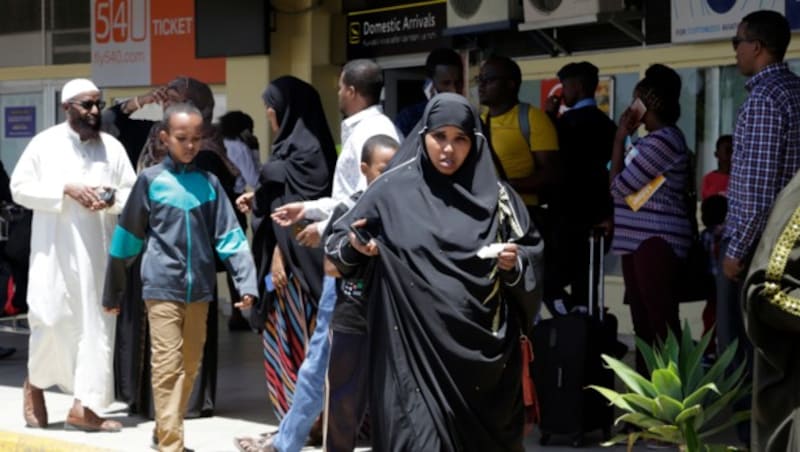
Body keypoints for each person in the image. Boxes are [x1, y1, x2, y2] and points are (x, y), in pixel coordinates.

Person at [325, 93, 543, 451]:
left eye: (460, 139)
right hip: (410, 356)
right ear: (423, 134)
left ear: (475, 142)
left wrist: (513, 263)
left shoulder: (498, 198)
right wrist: (356, 245)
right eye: (439, 136)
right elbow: (339, 244)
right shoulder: (391, 191)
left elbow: (530, 253)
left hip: (479, 368)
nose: (448, 149)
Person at [234, 61, 399, 452]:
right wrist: (307, 210)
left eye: (341, 87)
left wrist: (322, 226)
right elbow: (347, 200)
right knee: (328, 355)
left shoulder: (374, 135)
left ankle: (287, 442)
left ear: (352, 91)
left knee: (322, 354)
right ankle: (293, 438)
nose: (337, 94)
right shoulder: (364, 131)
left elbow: (368, 204)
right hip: (346, 255)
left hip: (351, 262)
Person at [103, 103, 258, 452]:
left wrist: (245, 282)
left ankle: (164, 427)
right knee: (167, 365)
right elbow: (126, 240)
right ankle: (172, 444)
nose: (189, 145)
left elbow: (230, 237)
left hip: (200, 290)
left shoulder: (210, 184)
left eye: (196, 138)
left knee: (190, 365)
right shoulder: (150, 181)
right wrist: (113, 291)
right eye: (181, 138)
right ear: (164, 138)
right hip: (161, 288)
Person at [10, 78, 136, 431]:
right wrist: (64, 189)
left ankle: (85, 408)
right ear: (67, 108)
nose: (94, 111)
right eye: (86, 105)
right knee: (49, 321)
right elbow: (19, 189)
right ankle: (34, 383)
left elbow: (131, 193)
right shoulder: (44, 144)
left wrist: (109, 199)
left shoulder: (111, 148)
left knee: (95, 331)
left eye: (97, 104)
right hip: (53, 253)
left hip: (97, 254)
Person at [235, 76, 337, 440]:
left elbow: (305, 211)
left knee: (306, 342)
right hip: (282, 265)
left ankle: (312, 421)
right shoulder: (285, 150)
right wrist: (255, 198)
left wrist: (280, 251)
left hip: (300, 264)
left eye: (273, 104)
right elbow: (274, 199)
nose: (268, 111)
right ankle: (297, 420)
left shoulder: (313, 154)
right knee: (285, 341)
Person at [725, 10, 800, 449]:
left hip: (763, 256)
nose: (734, 51)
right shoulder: (794, 92)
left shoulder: (765, 99)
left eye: (737, 42)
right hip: (793, 256)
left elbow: (758, 190)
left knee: (754, 363)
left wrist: (736, 251)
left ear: (757, 46)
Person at [609, 64, 693, 376]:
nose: (630, 108)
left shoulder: (665, 141)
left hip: (656, 241)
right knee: (644, 326)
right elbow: (617, 176)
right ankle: (648, 404)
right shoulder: (648, 142)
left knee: (660, 325)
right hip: (637, 240)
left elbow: (617, 186)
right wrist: (623, 140)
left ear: (647, 102)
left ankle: (674, 407)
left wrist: (619, 138)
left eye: (635, 101)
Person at [319, 134, 398, 452]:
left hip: (394, 321)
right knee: (344, 401)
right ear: (364, 169)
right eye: (383, 169)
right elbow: (330, 266)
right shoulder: (348, 208)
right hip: (353, 318)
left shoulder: (407, 210)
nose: (389, 177)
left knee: (391, 403)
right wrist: (356, 249)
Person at [477, 55, 559, 308]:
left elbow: (550, 175)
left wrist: (506, 188)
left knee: (522, 288)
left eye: (488, 80)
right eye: (479, 80)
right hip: (484, 217)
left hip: (522, 218)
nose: (480, 85)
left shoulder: (532, 118)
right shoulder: (477, 119)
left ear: (511, 84)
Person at [545, 61, 617, 313]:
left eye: (565, 85)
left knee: (548, 279)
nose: (563, 92)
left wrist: (549, 118)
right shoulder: (608, 126)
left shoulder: (564, 124)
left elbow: (552, 163)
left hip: (566, 215)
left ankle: (567, 322)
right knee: (585, 286)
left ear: (577, 85)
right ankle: (584, 333)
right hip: (596, 218)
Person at [219, 110, 261, 331]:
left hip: (212, 201)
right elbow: (255, 178)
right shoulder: (240, 147)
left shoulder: (217, 143)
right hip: (233, 203)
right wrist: (255, 151)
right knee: (234, 256)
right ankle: (238, 312)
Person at [394, 47, 464, 137]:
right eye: (446, 83)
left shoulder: (470, 119)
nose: (453, 90)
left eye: (458, 83)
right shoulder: (409, 118)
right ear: (430, 84)